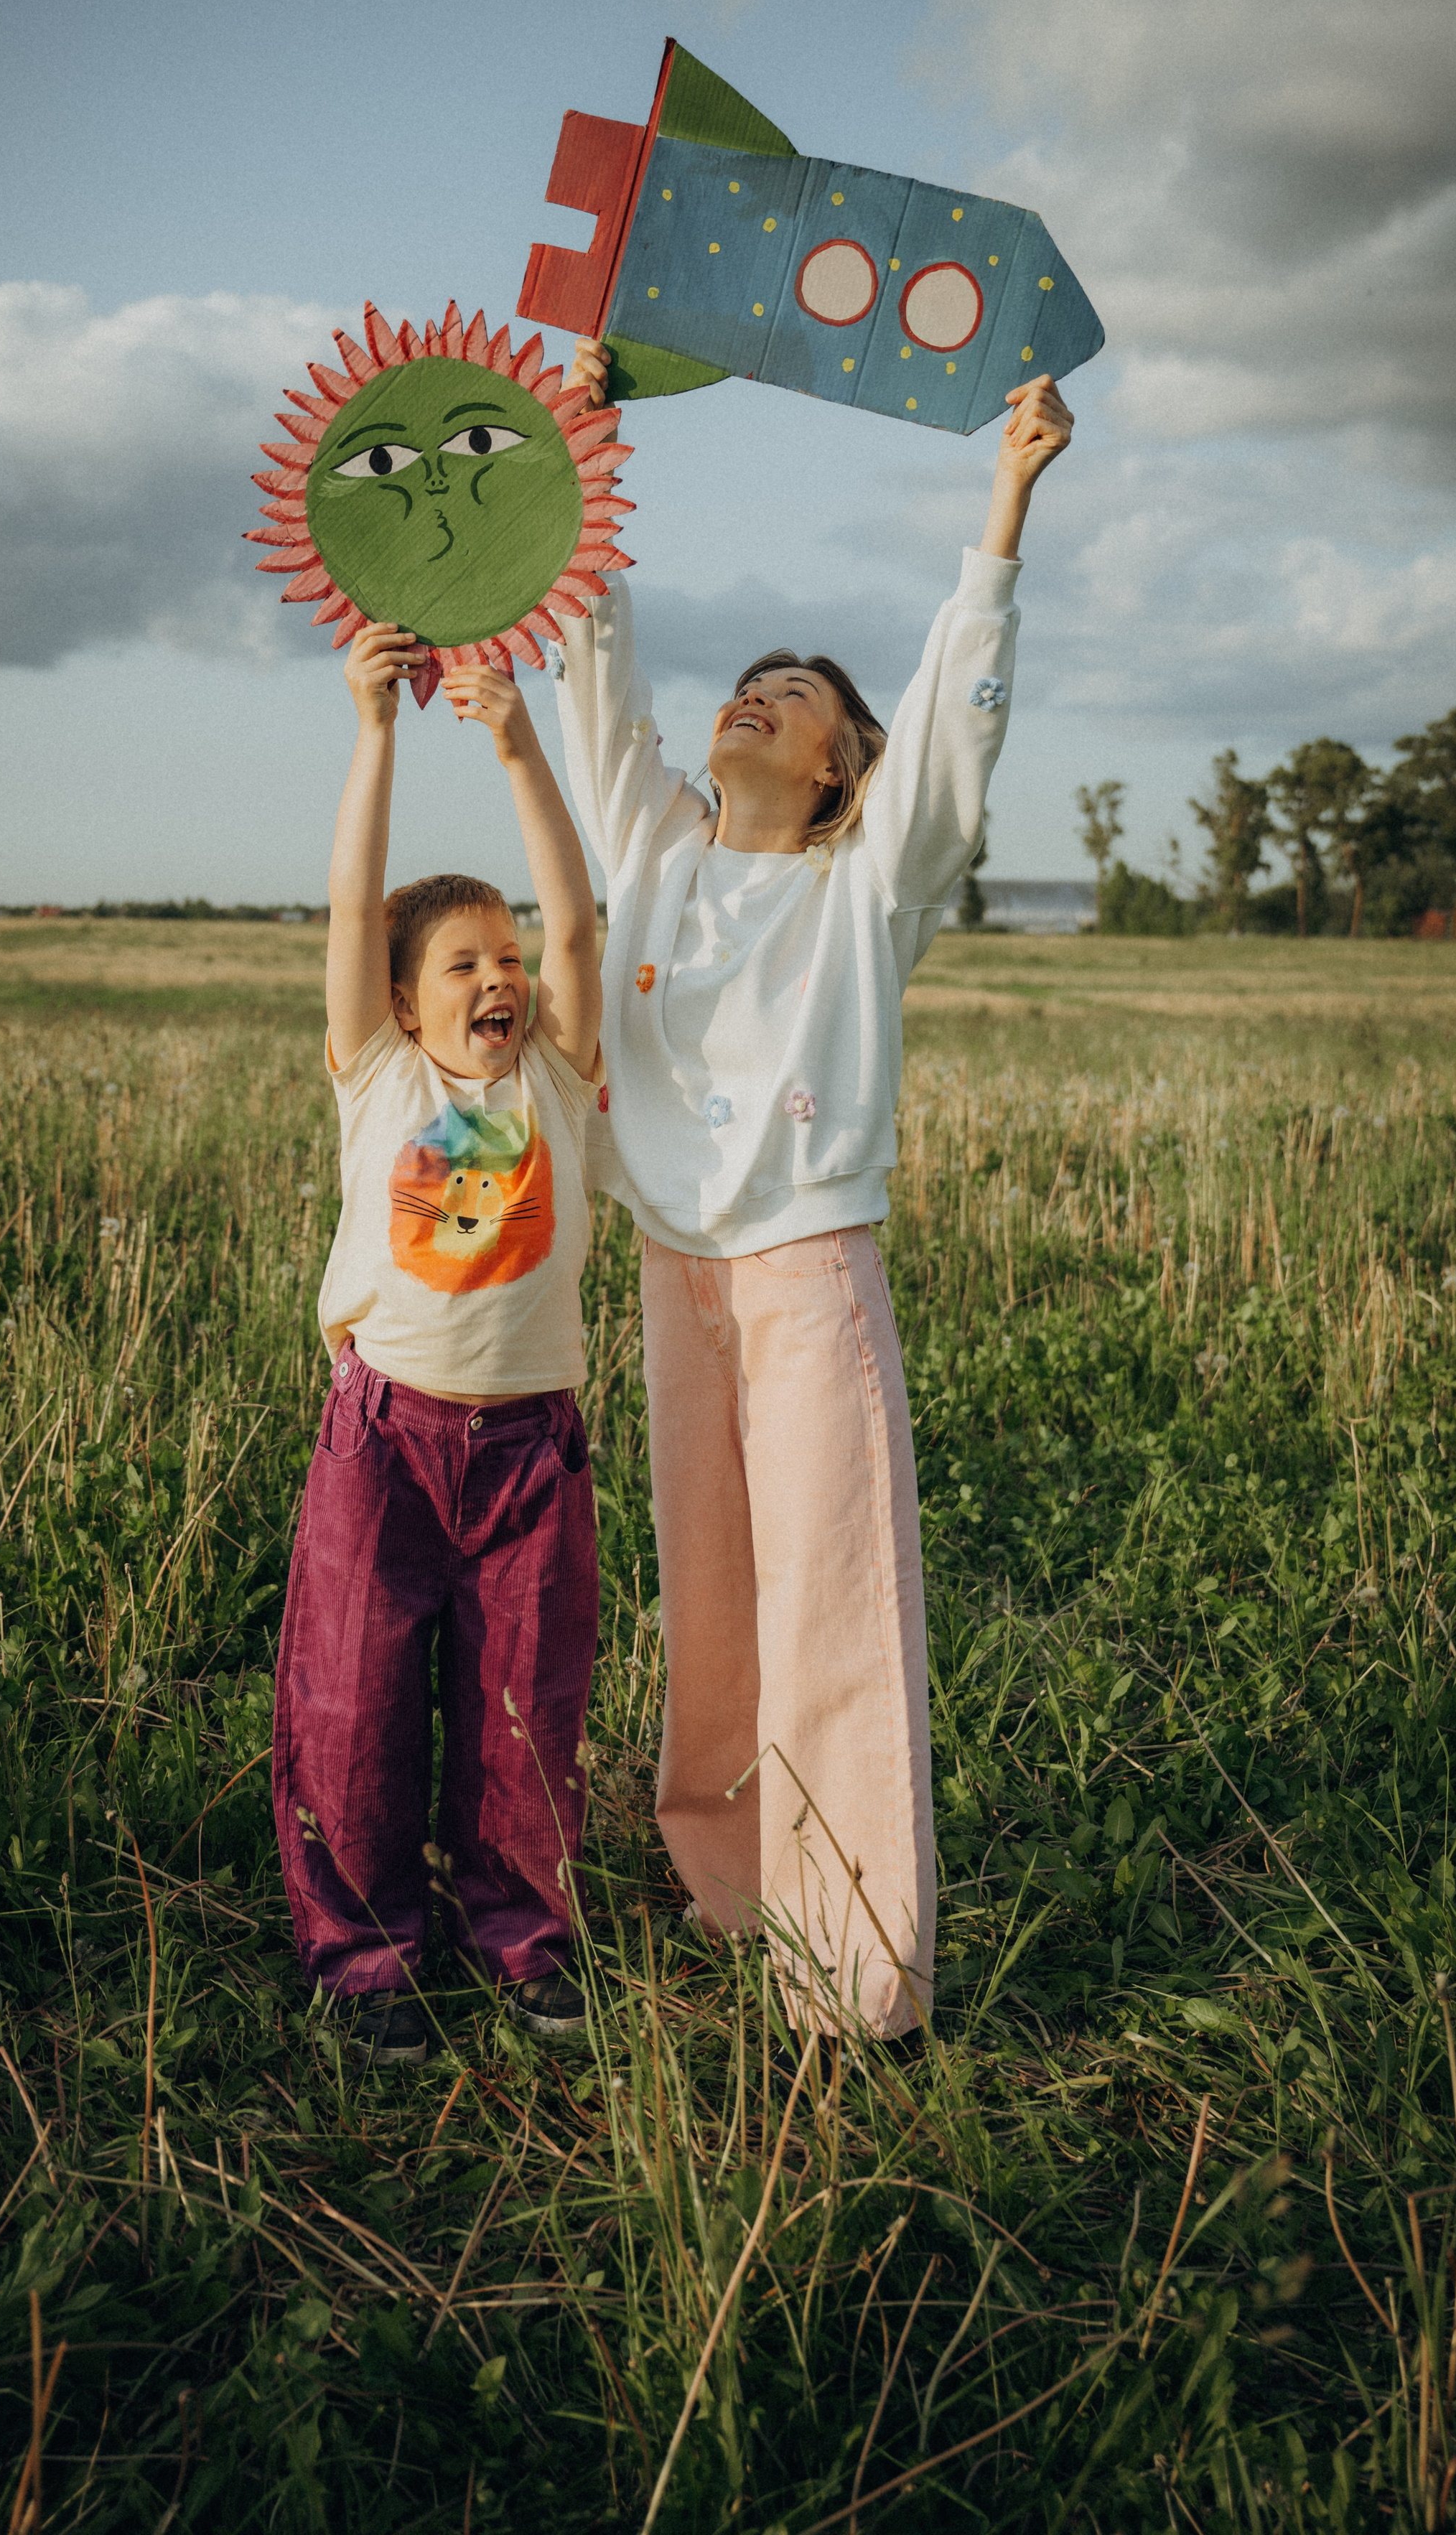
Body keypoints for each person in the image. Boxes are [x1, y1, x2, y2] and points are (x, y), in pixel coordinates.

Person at [551, 343, 1073, 2039]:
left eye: (798, 694)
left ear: (846, 764)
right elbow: (590, 667)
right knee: (707, 1589)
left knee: (832, 1600)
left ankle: (852, 1970)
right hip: (670, 1260)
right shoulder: (654, 850)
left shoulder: (872, 884)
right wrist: (587, 445)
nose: (755, 694)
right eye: (746, 682)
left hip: (801, 1269)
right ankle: (725, 1889)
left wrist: (1001, 503)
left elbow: (952, 721)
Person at [272, 619, 605, 2066]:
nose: (502, 976)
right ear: (405, 1001)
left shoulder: (560, 1079)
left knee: (525, 1711)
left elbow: (580, 922)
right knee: (351, 1705)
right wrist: (376, 730)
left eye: (508, 958)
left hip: (531, 1446)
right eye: (464, 960)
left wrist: (517, 743)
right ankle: (363, 1960)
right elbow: (352, 916)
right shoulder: (378, 1076)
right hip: (384, 1436)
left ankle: (521, 1944)